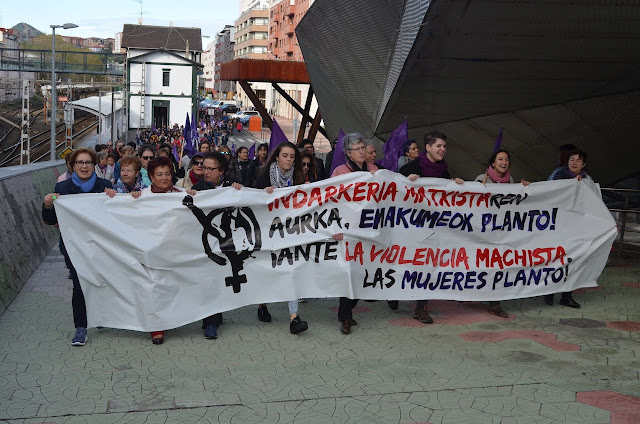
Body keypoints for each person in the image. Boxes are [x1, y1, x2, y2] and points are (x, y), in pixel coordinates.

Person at [42, 148, 113, 346]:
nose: (84, 166)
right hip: (73, 246)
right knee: (80, 284)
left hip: (100, 246)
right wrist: (48, 205)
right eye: (79, 163)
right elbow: (50, 219)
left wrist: (114, 196)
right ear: (72, 166)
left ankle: (99, 315)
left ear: (94, 165)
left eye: (88, 162)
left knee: (99, 280)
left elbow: (116, 216)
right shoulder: (62, 188)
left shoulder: (104, 186)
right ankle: (81, 327)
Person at [400, 131, 464, 324]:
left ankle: (421, 307)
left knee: (426, 265)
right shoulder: (410, 168)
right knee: (405, 262)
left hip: (433, 228)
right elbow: (393, 191)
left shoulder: (444, 170)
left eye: (444, 146)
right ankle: (392, 294)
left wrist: (456, 185)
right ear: (428, 147)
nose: (442, 150)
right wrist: (405, 182)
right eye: (438, 146)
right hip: (411, 227)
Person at [253, 141, 309, 334]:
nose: (288, 159)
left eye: (292, 156)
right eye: (285, 155)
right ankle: (262, 305)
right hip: (268, 231)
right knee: (268, 270)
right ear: (277, 156)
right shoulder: (263, 175)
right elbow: (251, 200)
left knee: (291, 270)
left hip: (291, 231)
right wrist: (263, 195)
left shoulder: (299, 177)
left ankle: (294, 317)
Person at [188, 151, 244, 339]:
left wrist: (241, 190)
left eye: (211, 169)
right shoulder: (198, 187)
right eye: (204, 168)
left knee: (221, 280)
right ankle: (210, 322)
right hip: (206, 244)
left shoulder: (232, 186)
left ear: (222, 171)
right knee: (209, 281)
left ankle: (215, 316)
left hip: (229, 243)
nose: (206, 172)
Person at [330, 133, 380, 334]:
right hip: (347, 230)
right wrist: (336, 228)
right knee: (349, 273)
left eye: (363, 148)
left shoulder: (375, 171)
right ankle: (346, 317)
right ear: (348, 153)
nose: (362, 152)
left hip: (368, 230)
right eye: (357, 149)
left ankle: (347, 310)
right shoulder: (339, 173)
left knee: (362, 273)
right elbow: (331, 201)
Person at [475, 149, 531, 317]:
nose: (503, 162)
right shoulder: (480, 179)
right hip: (482, 232)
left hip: (501, 232)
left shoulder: (511, 181)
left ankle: (495, 303)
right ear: (493, 162)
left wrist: (524, 189)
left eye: (506, 159)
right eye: (500, 159)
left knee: (497, 265)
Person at [137, 157, 184, 344]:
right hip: (150, 251)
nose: (164, 178)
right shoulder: (141, 197)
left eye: (167, 174)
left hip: (176, 249)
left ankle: (171, 318)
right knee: (152, 288)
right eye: (159, 174)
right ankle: (156, 327)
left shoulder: (182, 194)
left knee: (171, 286)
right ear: (151, 176)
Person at [544, 148, 590, 309]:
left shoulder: (587, 181)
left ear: (583, 164)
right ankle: (548, 291)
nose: (574, 162)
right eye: (572, 159)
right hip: (557, 226)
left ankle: (567, 295)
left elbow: (594, 205)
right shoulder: (558, 176)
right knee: (554, 258)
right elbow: (546, 195)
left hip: (576, 229)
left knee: (572, 261)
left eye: (578, 160)